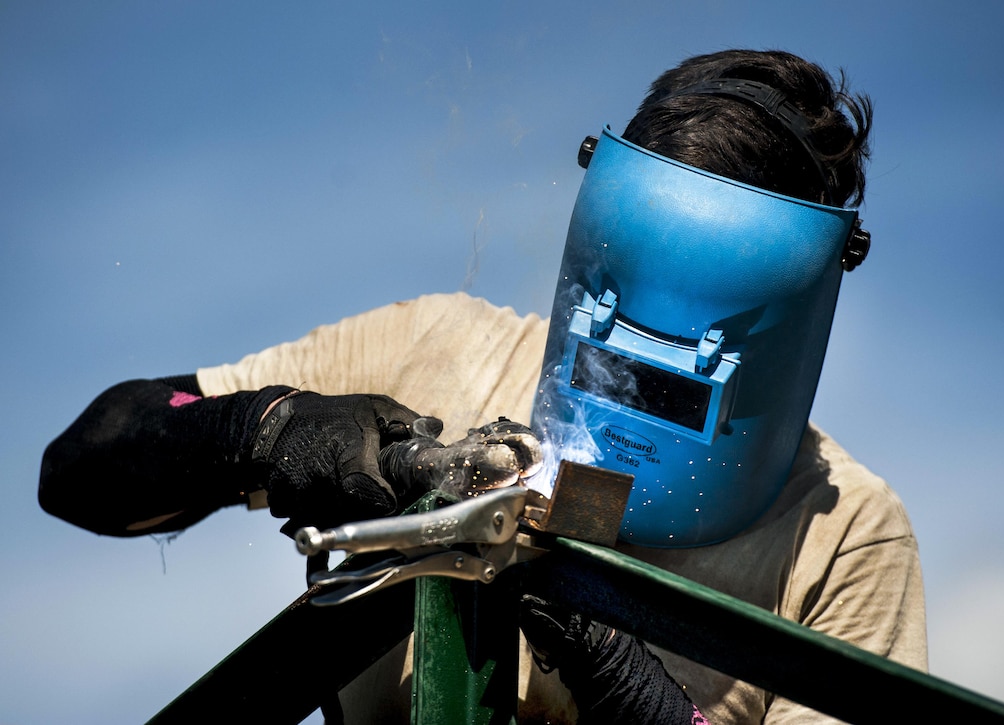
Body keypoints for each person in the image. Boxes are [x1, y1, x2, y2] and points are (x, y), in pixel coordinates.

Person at [39, 49, 926, 723]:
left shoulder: (846, 533)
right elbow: (83, 463)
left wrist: (616, 667)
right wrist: (264, 434)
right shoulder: (439, 347)